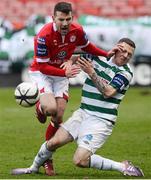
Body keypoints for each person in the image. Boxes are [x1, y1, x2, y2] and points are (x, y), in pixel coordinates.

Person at [12, 38, 144, 177]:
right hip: (82, 113)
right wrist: (70, 61)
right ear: (116, 47)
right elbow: (77, 56)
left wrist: (92, 73)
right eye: (123, 50)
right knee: (52, 143)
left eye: (129, 54)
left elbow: (108, 92)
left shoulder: (125, 72)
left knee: (80, 160)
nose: (125, 55)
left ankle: (123, 166)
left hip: (101, 120)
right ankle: (33, 167)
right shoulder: (99, 57)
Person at [28, 1, 120, 175]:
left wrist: (105, 53)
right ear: (53, 17)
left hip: (62, 72)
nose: (64, 23)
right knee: (50, 108)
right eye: (61, 19)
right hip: (44, 73)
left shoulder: (77, 31)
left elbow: (87, 47)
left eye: (68, 19)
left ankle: (48, 158)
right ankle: (40, 108)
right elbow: (42, 67)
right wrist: (66, 74)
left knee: (59, 115)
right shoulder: (43, 35)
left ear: (72, 17)